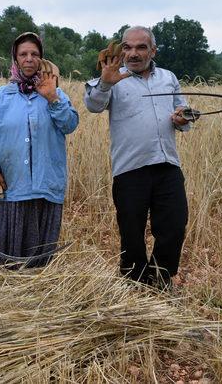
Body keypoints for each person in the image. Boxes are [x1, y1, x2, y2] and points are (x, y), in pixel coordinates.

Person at [84, 26, 191, 289]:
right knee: (131, 233)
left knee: (174, 226)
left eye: (141, 47)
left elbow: (183, 113)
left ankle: (160, 278)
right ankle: (134, 285)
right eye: (127, 47)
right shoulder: (112, 78)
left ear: (152, 51)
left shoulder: (168, 77)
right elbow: (93, 106)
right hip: (130, 169)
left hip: (167, 165)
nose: (133, 53)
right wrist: (106, 82)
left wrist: (184, 116)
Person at [0, 32, 79, 267]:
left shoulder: (55, 93)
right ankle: (7, 299)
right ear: (15, 59)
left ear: (42, 59)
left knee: (39, 258)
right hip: (11, 186)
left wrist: (52, 97)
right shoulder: (1, 97)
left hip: (46, 186)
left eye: (35, 54)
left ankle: (38, 299)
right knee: (7, 257)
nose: (29, 59)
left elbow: (70, 124)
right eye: (23, 54)